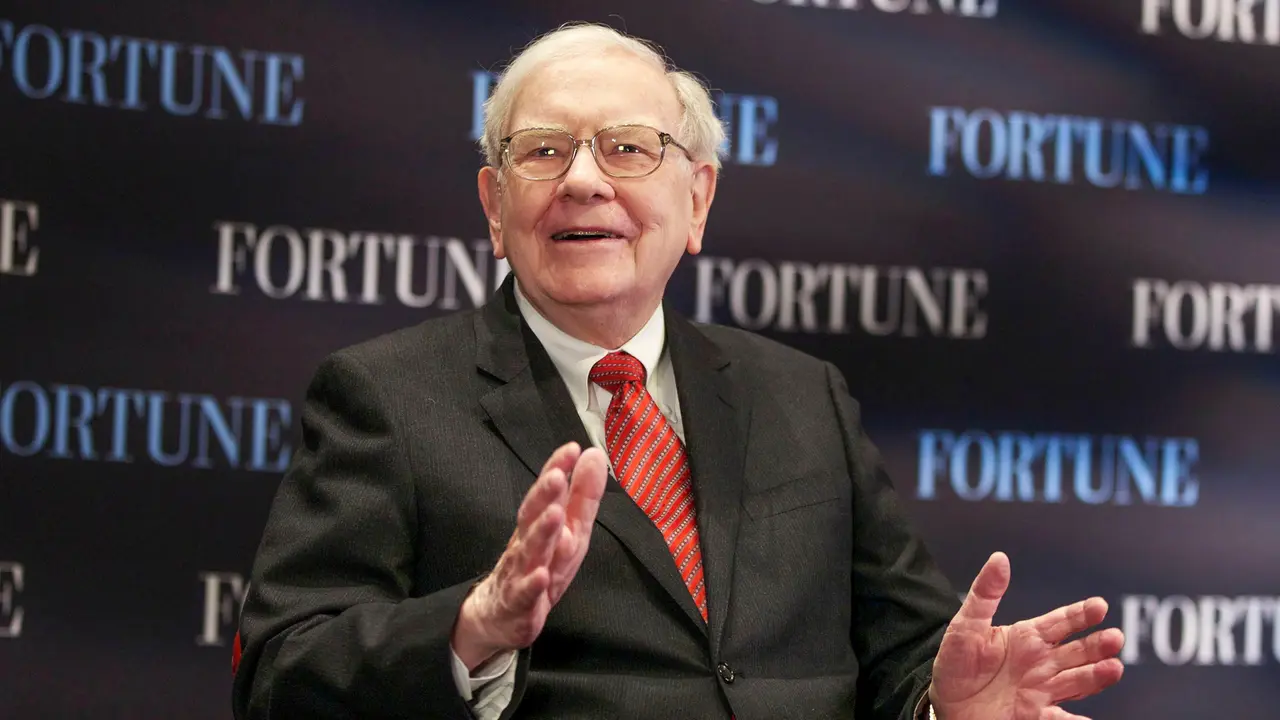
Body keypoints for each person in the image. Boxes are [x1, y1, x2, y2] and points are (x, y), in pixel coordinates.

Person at [230, 22, 1125, 720]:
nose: (583, 180)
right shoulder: (387, 397)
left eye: (627, 148)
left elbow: (899, 653)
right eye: (543, 150)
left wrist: (943, 703)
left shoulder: (802, 395)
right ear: (495, 209)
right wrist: (473, 629)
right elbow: (282, 675)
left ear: (696, 200)